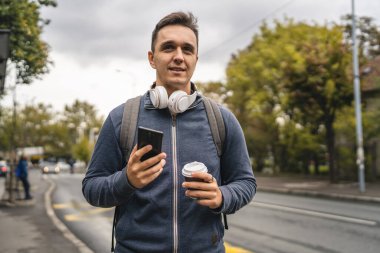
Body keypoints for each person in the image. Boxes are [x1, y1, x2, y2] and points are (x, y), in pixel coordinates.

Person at [82, 11, 256, 253]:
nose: (178, 57)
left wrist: (222, 197)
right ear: (152, 58)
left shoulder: (221, 120)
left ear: (196, 58)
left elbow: (245, 182)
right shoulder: (121, 118)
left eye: (187, 49)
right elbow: (92, 187)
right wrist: (127, 180)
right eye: (168, 48)